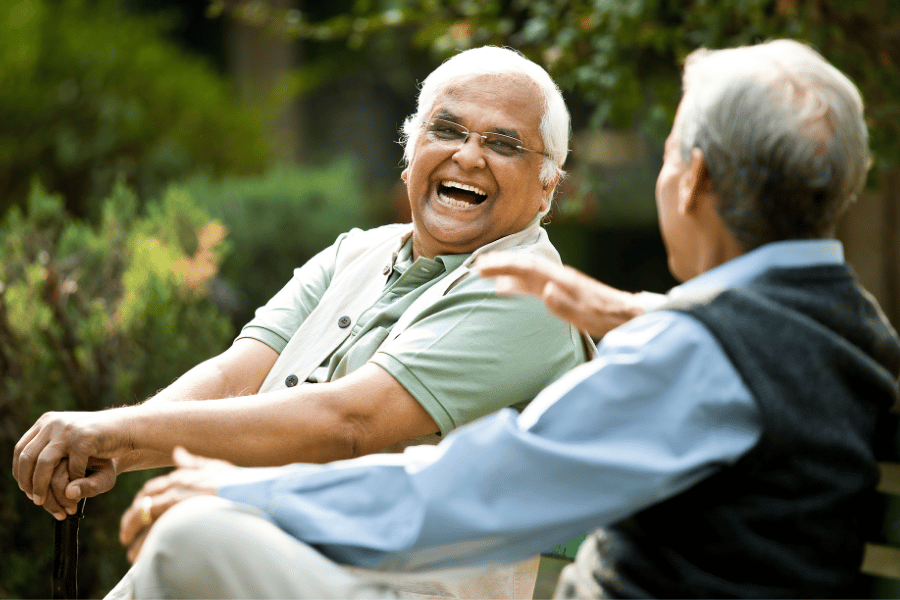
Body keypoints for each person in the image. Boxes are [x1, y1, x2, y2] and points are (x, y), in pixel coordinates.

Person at [62, 38, 900, 598]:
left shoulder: (700, 355)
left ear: (693, 180)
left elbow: (484, 486)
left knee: (195, 536)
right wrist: (649, 314)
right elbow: (755, 356)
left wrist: (252, 490)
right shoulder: (852, 328)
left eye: (668, 153)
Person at [12, 46, 614, 599]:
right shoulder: (355, 252)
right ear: (409, 154)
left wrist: (118, 434)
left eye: (503, 143)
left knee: (191, 535)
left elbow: (349, 422)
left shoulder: (527, 291)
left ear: (547, 189)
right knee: (187, 538)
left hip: (408, 587)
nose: (469, 155)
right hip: (287, 557)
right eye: (447, 130)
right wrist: (115, 448)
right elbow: (234, 377)